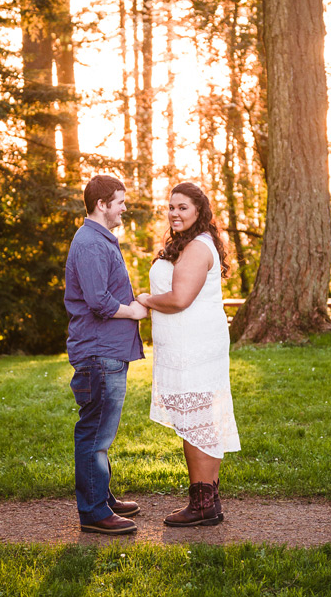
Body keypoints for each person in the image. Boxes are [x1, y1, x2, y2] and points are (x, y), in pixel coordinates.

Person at [137, 182, 240, 527]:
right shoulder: (190, 244)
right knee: (199, 420)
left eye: (182, 207)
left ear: (199, 211)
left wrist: (146, 300)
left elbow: (180, 298)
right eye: (171, 207)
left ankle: (202, 504)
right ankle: (208, 499)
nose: (175, 213)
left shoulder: (197, 247)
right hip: (189, 342)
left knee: (196, 421)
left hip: (193, 345)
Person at [65, 174, 148, 535]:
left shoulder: (100, 241)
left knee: (101, 432)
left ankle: (102, 497)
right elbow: (99, 302)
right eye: (120, 202)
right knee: (95, 434)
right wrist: (134, 310)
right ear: (102, 205)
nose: (124, 208)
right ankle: (95, 513)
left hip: (108, 351)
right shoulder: (91, 244)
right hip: (99, 353)